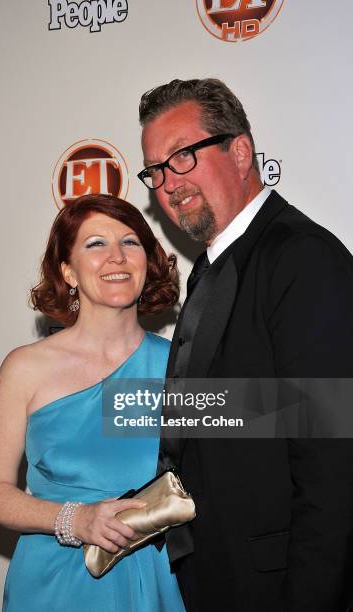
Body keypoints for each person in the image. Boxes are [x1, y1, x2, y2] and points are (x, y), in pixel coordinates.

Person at [138, 78, 353, 611]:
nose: (169, 183)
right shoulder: (212, 268)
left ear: (239, 152)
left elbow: (334, 468)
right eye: (156, 170)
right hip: (215, 575)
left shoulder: (302, 260)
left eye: (183, 156)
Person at [0, 194, 185, 612]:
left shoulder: (182, 364)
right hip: (57, 581)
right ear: (67, 271)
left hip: (158, 580)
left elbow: (288, 421)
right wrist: (77, 520)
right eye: (95, 244)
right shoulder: (26, 368)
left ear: (148, 261)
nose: (117, 257)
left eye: (130, 242)